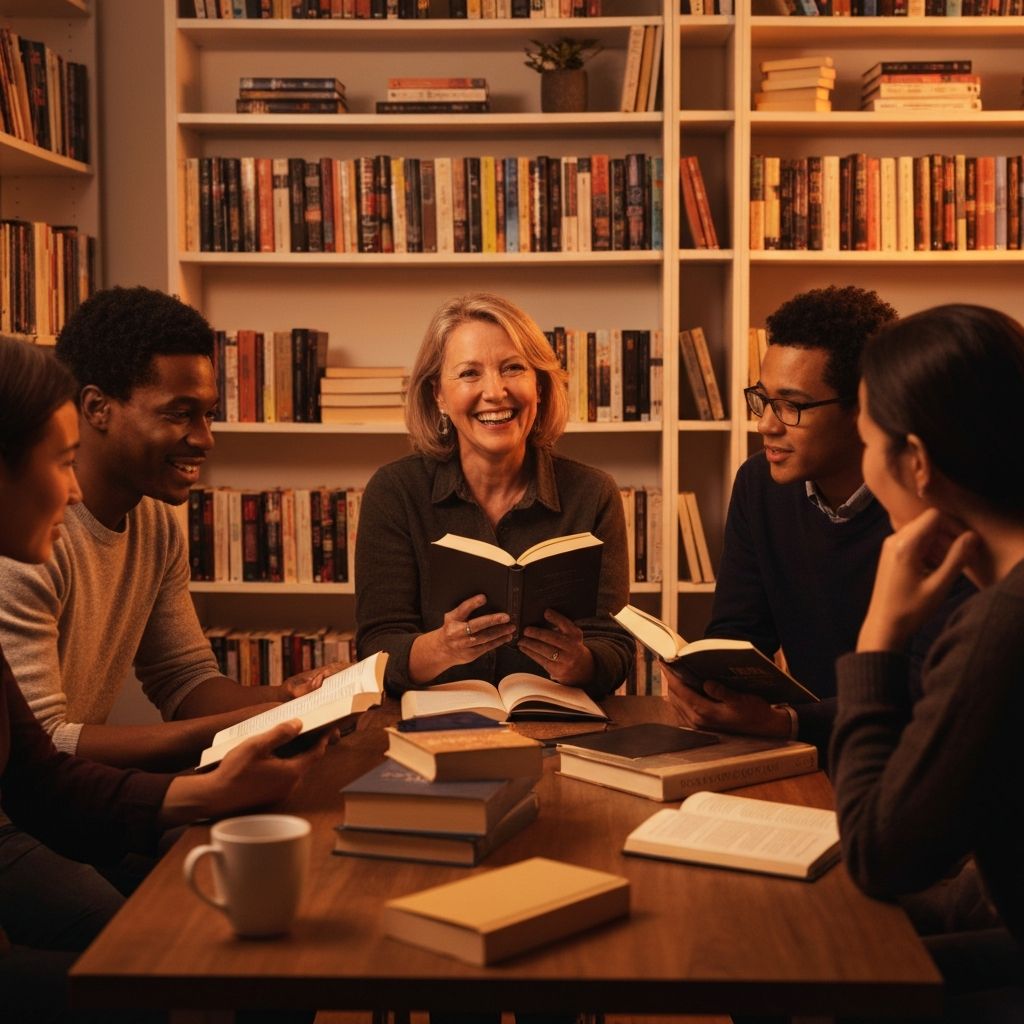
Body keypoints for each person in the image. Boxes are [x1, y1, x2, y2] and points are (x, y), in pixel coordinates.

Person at [0, 336, 327, 1023]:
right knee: (147, 966)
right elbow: (48, 757)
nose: (71, 488)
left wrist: (285, 706)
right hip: (19, 833)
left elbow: (41, 775)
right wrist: (241, 732)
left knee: (260, 918)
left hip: (58, 804)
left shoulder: (155, 525)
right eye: (60, 462)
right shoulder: (24, 559)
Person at [0, 287, 343, 773]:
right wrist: (251, 724)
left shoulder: (155, 524)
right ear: (96, 408)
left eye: (209, 414)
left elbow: (184, 678)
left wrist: (289, 698)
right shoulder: (26, 538)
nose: (205, 438)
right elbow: (40, 749)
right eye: (180, 414)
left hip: (79, 797)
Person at [831, 303, 1024, 1020]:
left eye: (866, 443)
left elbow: (881, 856)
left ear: (915, 462)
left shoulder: (1000, 624)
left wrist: (879, 637)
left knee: (809, 963)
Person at [356, 292, 634, 699]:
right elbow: (376, 647)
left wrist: (581, 662)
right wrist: (442, 648)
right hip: (435, 725)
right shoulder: (394, 492)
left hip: (556, 724)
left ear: (539, 386)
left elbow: (616, 648)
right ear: (438, 395)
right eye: (470, 373)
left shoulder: (593, 494)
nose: (495, 391)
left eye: (513, 368)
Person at [665, 286, 902, 751]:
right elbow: (739, 633)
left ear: (864, 408)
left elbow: (925, 686)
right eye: (763, 399)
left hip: (908, 758)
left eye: (791, 406)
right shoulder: (759, 484)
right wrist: (709, 684)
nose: (765, 425)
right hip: (802, 747)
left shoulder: (929, 502)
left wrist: (787, 722)